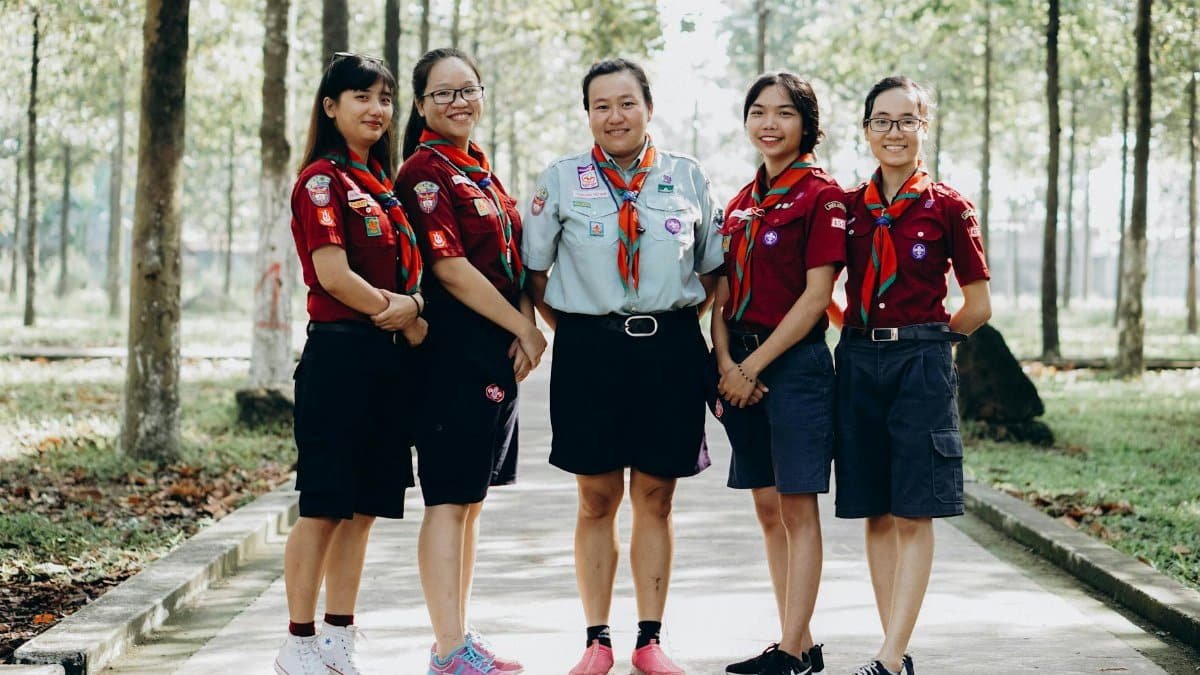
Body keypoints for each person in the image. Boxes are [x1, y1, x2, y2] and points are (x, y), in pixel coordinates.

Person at [522, 57, 725, 675]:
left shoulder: (687, 178)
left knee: (657, 497)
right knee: (595, 498)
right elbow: (534, 274)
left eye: (627, 103)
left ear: (648, 107)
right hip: (591, 353)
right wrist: (581, 333)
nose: (615, 116)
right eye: (602, 105)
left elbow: (715, 272)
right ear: (587, 113)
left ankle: (650, 640)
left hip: (669, 350)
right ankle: (596, 640)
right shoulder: (561, 180)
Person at [395, 47, 545, 675]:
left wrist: (525, 325)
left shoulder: (478, 169)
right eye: (443, 93)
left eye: (468, 90)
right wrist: (524, 328)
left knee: (472, 500)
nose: (459, 102)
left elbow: (509, 263)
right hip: (451, 355)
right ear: (423, 105)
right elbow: (452, 270)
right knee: (448, 501)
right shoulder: (425, 174)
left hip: (491, 356)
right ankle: (450, 649)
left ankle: (455, 640)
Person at [275, 52, 426, 675]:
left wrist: (411, 307)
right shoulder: (322, 181)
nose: (376, 109)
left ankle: (339, 635)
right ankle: (298, 641)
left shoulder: (383, 186)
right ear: (330, 106)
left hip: (385, 365)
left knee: (364, 507)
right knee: (324, 505)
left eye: (385, 98)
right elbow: (333, 275)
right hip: (340, 358)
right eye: (361, 97)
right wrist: (400, 309)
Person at [835, 76, 991, 675]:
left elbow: (977, 306)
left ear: (924, 128)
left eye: (907, 121)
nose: (893, 132)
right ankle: (891, 652)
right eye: (882, 120)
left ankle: (890, 652)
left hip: (920, 359)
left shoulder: (949, 206)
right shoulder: (848, 208)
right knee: (875, 509)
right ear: (866, 128)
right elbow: (825, 290)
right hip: (857, 357)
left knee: (912, 510)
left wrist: (930, 345)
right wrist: (855, 331)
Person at [710, 73, 846, 675]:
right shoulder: (741, 201)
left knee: (797, 507)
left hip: (792, 368)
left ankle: (790, 652)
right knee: (767, 507)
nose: (769, 123)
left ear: (806, 124)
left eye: (784, 113)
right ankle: (802, 641)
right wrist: (725, 364)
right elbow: (718, 297)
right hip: (737, 363)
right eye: (758, 112)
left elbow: (818, 297)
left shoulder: (823, 196)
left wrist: (753, 365)